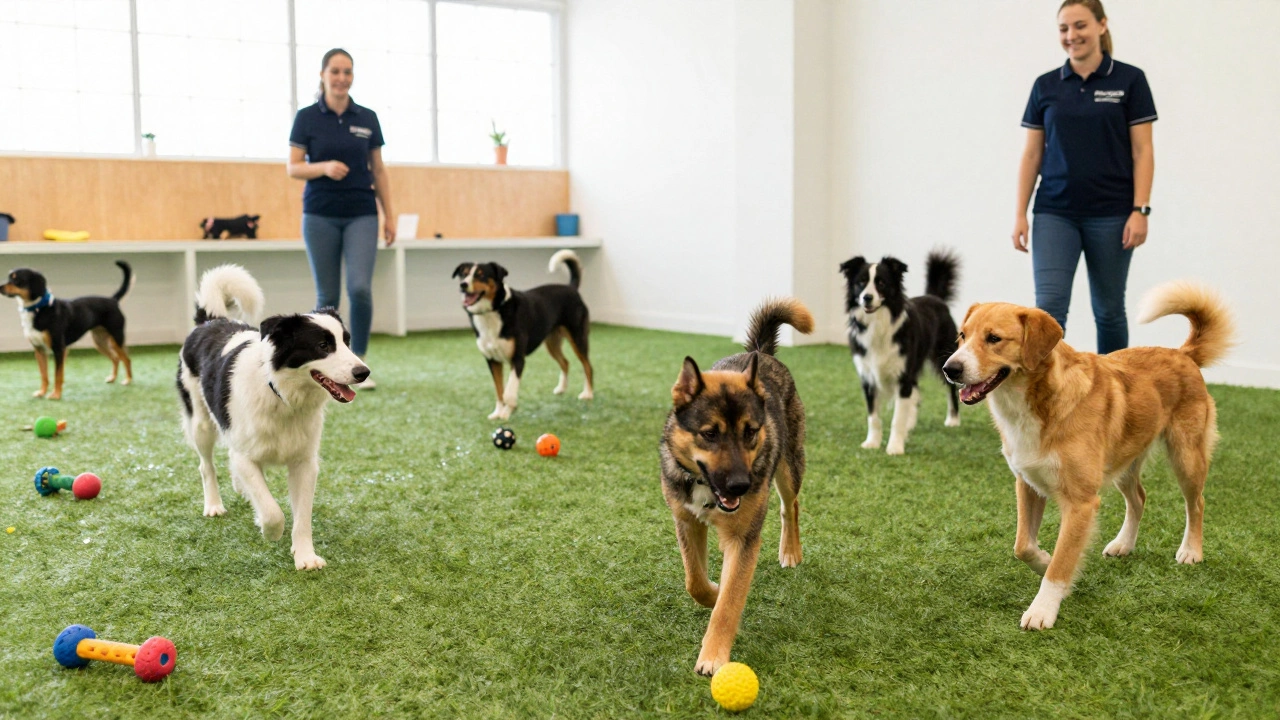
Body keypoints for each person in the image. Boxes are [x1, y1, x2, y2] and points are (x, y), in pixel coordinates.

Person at [1012, 0, 1156, 354]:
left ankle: (1115, 393)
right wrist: (1019, 213)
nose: (1071, 35)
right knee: (1048, 312)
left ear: (1101, 26)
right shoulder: (1045, 86)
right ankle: (1045, 397)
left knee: (1108, 311)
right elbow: (1032, 154)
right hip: (1054, 213)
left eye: (1080, 26)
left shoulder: (1130, 80)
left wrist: (1141, 210)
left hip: (1112, 214)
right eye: (1064, 28)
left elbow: (1143, 151)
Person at [288, 48, 395, 387]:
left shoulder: (367, 117)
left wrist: (389, 216)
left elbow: (378, 169)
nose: (342, 78)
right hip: (319, 214)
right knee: (327, 297)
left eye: (347, 72)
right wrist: (323, 168)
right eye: (335, 71)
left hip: (362, 213)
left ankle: (358, 364)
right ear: (323, 75)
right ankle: (328, 368)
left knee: (360, 289)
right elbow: (293, 167)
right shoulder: (306, 117)